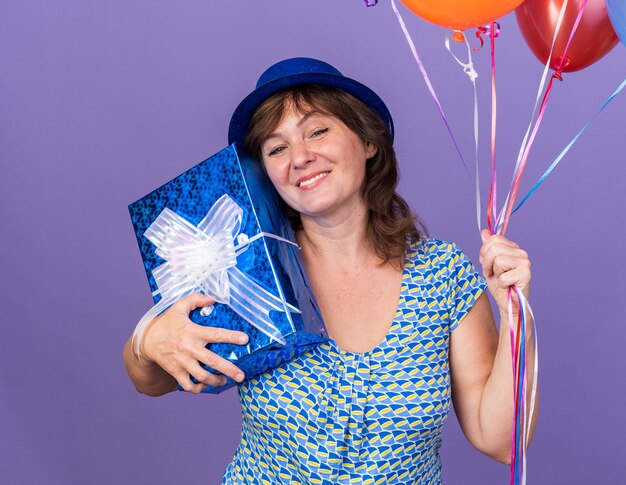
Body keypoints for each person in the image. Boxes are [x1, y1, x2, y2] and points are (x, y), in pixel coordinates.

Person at [124, 57, 537, 484]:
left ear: (368, 140)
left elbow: (501, 440)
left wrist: (514, 313)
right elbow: (153, 380)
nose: (300, 157)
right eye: (276, 148)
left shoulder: (442, 275)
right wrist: (146, 342)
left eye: (318, 131)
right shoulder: (247, 269)